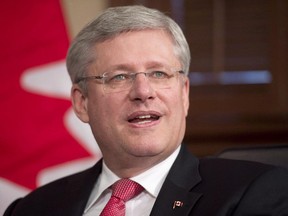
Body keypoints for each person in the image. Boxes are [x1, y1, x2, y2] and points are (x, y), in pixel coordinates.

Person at [4, 5, 288, 216]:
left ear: (184, 93)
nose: (143, 92)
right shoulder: (31, 209)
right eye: (119, 77)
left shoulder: (251, 193)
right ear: (82, 103)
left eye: (159, 74)